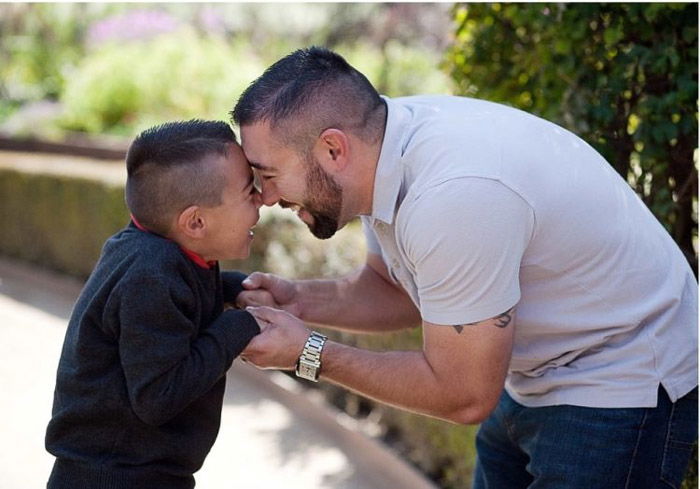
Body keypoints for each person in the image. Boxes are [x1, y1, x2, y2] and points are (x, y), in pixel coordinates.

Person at [231, 47, 698, 488]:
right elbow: (395, 290)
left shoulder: (454, 195)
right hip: (534, 372)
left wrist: (307, 354)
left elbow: (463, 393)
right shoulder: (378, 147)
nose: (267, 198)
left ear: (334, 150)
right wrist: (296, 300)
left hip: (622, 378)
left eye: (268, 174)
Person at [45, 120, 264, 489]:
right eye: (249, 192)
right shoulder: (150, 276)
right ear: (195, 222)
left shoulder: (160, 249)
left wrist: (235, 289)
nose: (262, 198)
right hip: (111, 478)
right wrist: (239, 327)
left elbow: (187, 293)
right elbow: (158, 396)